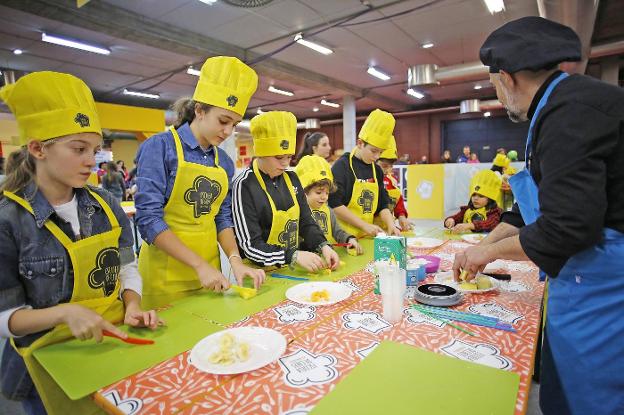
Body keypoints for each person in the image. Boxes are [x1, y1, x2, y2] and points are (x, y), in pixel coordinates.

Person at [453, 16, 624, 415]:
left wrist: (487, 256)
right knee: (560, 387)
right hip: (581, 280)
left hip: (605, 285)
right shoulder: (556, 107)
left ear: (507, 77)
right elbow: (528, 209)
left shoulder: (570, 113)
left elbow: (566, 229)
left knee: (592, 398)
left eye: (495, 84)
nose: (498, 94)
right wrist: (485, 241)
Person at [0, 71, 161, 415]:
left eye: (95, 149)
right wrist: (64, 313)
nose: (92, 161)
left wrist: (131, 304)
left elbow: (127, 267)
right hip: (45, 363)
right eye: (78, 149)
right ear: (37, 148)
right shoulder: (9, 221)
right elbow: (5, 317)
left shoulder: (105, 205)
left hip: (109, 346)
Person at [135, 56, 265, 309]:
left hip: (210, 274)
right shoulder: (160, 147)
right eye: (223, 121)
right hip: (165, 277)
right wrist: (198, 265)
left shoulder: (224, 161)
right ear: (199, 111)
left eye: (235, 124)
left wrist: (235, 260)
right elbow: (148, 219)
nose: (228, 131)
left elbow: (222, 217)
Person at [233, 111, 340, 273]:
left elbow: (306, 221)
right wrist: (293, 256)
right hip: (259, 274)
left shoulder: (292, 178)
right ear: (261, 153)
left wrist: (323, 245)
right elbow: (250, 246)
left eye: (289, 157)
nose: (284, 164)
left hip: (291, 268)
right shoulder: (245, 186)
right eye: (278, 157)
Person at [329, 109, 401, 238]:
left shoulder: (376, 170)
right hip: (345, 238)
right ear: (360, 143)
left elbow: (382, 204)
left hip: (367, 236)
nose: (377, 156)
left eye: (380, 152)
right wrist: (363, 225)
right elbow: (335, 205)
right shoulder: (342, 166)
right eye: (373, 151)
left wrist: (391, 224)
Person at [295, 155, 363, 255]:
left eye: (327, 193)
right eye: (318, 193)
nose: (324, 197)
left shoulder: (328, 211)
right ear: (303, 191)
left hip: (330, 257)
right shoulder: (298, 212)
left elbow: (338, 232)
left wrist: (349, 240)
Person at [375, 137, 412, 232]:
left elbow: (397, 201)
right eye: (384, 166)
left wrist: (401, 216)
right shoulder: (366, 181)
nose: (387, 170)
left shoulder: (392, 182)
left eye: (391, 167)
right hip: (368, 231)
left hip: (387, 230)